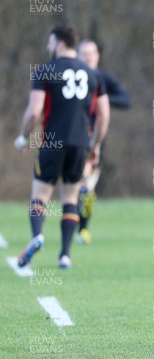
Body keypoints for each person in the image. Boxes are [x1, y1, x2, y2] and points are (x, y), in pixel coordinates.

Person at [14, 25, 110, 269]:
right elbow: (104, 115)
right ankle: (65, 255)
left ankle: (37, 236)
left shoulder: (45, 71)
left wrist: (24, 137)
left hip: (52, 142)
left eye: (50, 42)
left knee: (40, 195)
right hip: (80, 144)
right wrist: (95, 145)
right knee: (70, 196)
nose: (48, 47)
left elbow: (34, 111)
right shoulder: (93, 75)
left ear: (58, 43)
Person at [76, 39, 131, 244]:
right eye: (84, 53)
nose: (88, 57)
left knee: (87, 188)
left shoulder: (103, 79)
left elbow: (126, 100)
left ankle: (83, 228)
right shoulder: (70, 78)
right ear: (77, 55)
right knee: (74, 186)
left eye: (92, 53)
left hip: (96, 142)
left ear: (98, 56)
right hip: (72, 139)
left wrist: (102, 100)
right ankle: (70, 226)